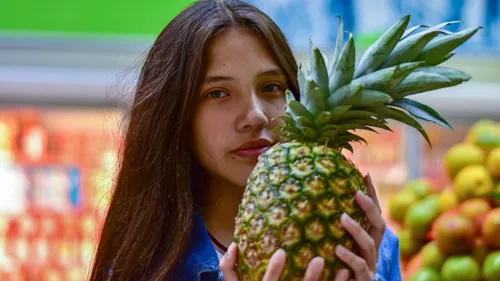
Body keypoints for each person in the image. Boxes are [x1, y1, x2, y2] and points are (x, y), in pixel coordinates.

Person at [88, 1, 402, 281]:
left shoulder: (372, 247)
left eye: (271, 87)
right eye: (217, 93)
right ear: (176, 114)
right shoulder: (147, 267)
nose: (256, 115)